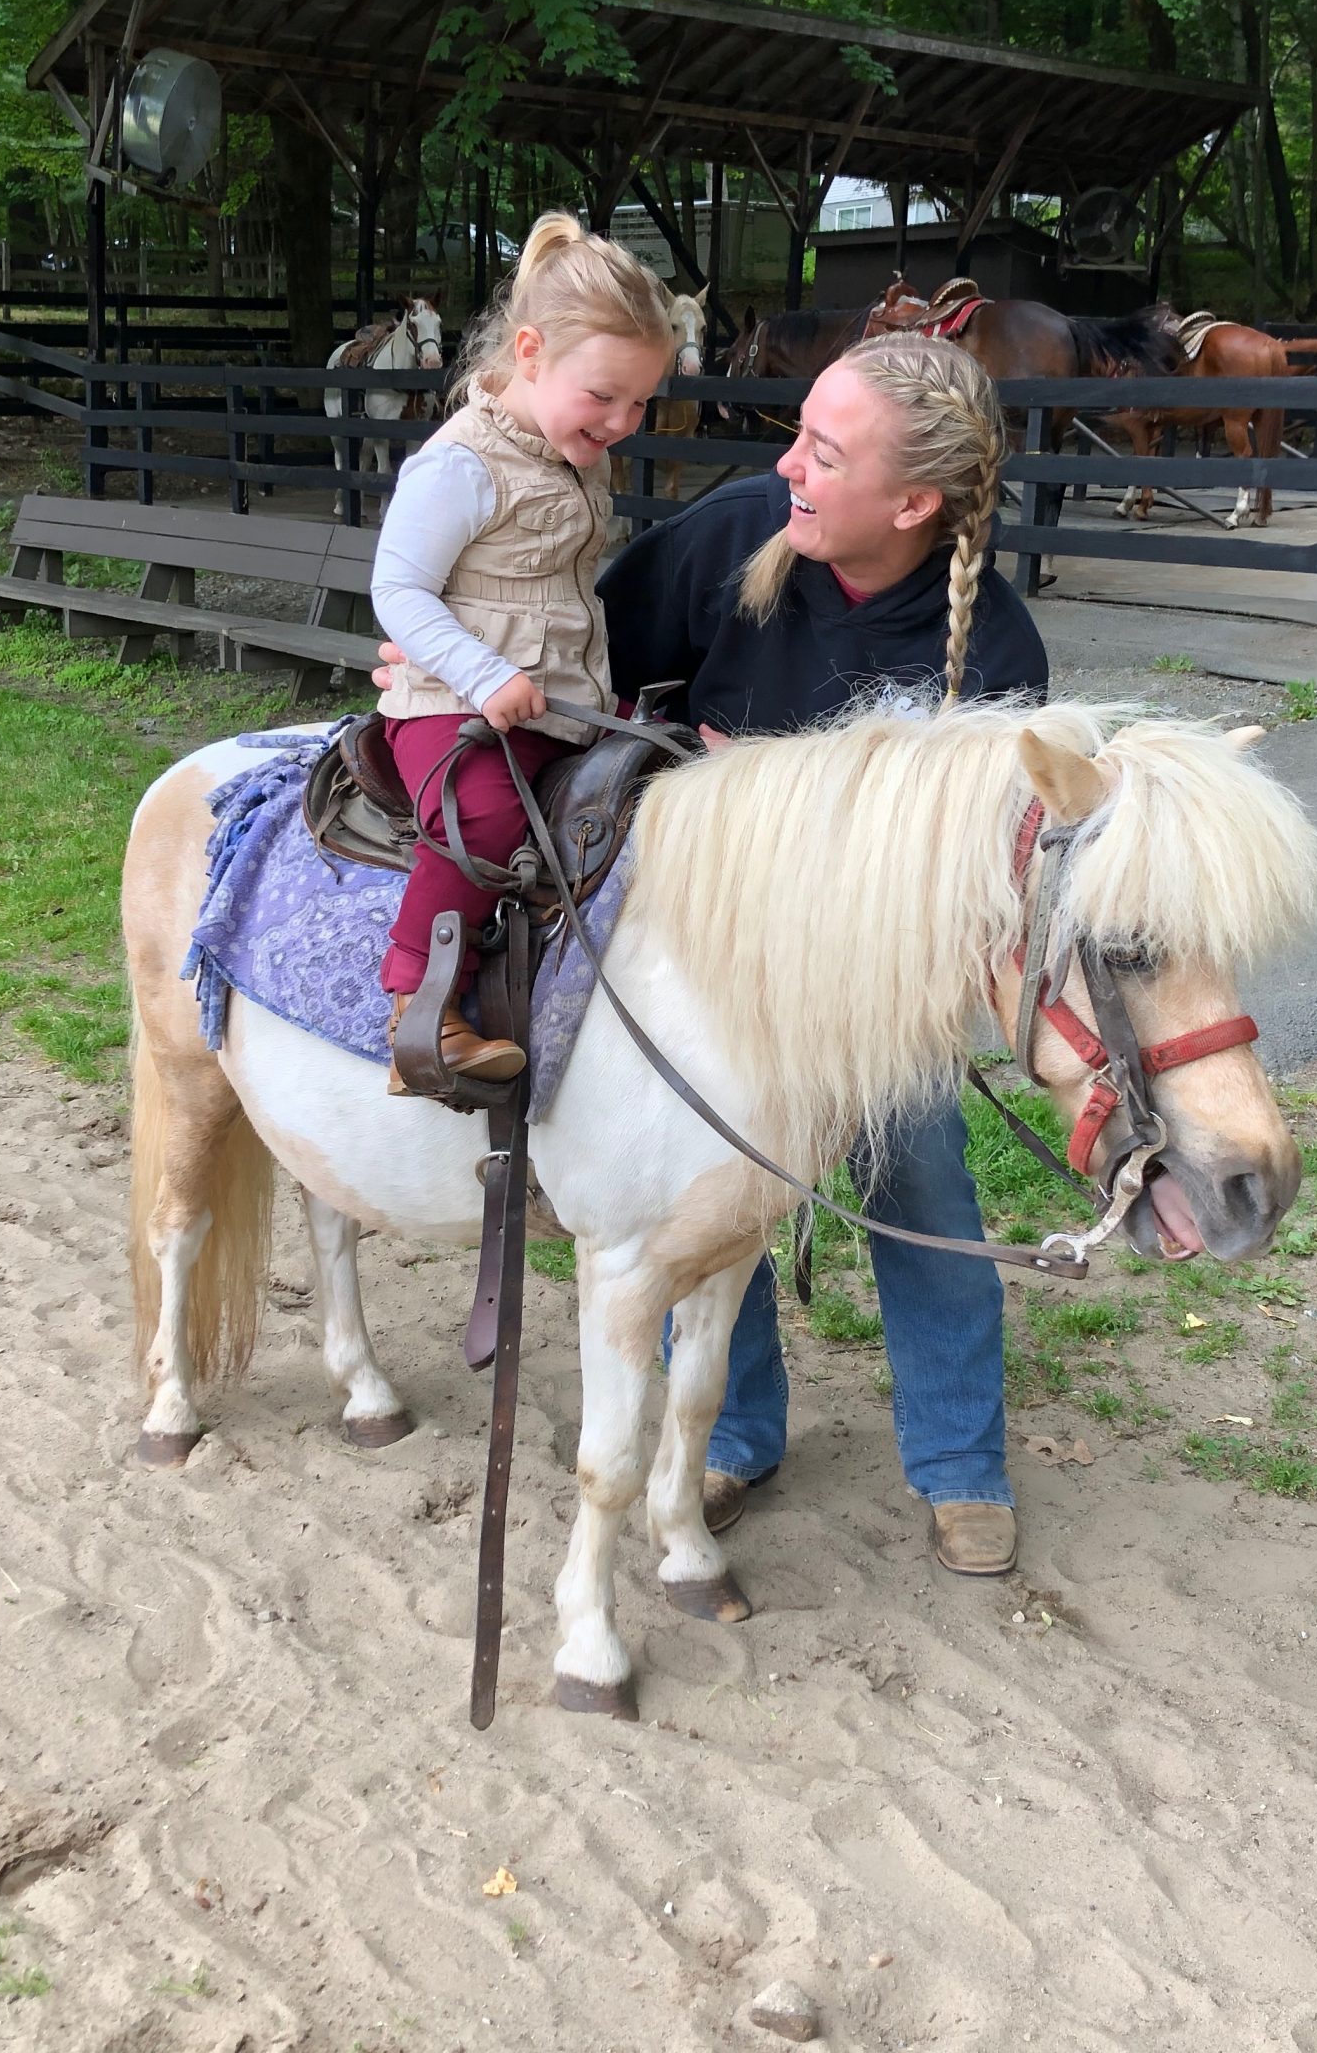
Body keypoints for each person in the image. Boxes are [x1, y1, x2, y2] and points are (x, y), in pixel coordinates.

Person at [374, 332, 1046, 1570]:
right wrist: (450, 668)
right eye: (799, 431)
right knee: (703, 1180)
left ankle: (959, 1463)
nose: (786, 462)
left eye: (824, 454)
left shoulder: (989, 657)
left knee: (926, 1185)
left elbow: (970, 891)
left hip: (864, 984)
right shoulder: (735, 530)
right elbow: (583, 667)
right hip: (703, 942)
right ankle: (734, 1434)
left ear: (912, 504)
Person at [369, 212, 676, 1090]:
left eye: (640, 401)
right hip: (451, 704)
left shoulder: (573, 454)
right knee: (487, 821)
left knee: (668, 762)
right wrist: (482, 674)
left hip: (553, 698)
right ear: (532, 352)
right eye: (604, 396)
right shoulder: (461, 465)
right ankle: (418, 1009)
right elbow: (398, 592)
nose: (623, 420)